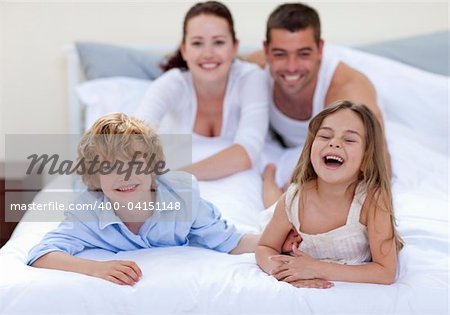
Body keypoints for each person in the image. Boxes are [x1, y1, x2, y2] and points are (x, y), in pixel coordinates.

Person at [26, 113, 259, 286]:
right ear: (95, 176)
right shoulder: (87, 210)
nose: (124, 176)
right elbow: (41, 254)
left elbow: (232, 241)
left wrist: (278, 240)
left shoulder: (183, 197)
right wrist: (95, 268)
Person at [244, 3, 389, 208]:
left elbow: (379, 167)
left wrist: (307, 188)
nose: (291, 67)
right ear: (266, 50)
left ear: (320, 49)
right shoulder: (254, 67)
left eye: (303, 54)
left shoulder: (347, 90)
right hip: (290, 147)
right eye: (280, 54)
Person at [256, 101, 403, 289]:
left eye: (349, 140)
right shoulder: (293, 200)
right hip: (284, 210)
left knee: (280, 201)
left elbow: (386, 272)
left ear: (367, 158)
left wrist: (317, 269)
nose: (334, 142)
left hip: (299, 230)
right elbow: (264, 247)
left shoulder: (372, 201)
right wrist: (287, 274)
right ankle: (269, 179)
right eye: (325, 136)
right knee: (273, 204)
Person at [135, 1, 269, 181]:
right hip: (176, 177)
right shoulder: (171, 84)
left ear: (235, 47)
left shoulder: (251, 78)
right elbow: (135, 137)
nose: (208, 53)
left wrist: (176, 176)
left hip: (232, 180)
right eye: (197, 43)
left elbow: (247, 153)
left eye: (219, 42)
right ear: (184, 50)